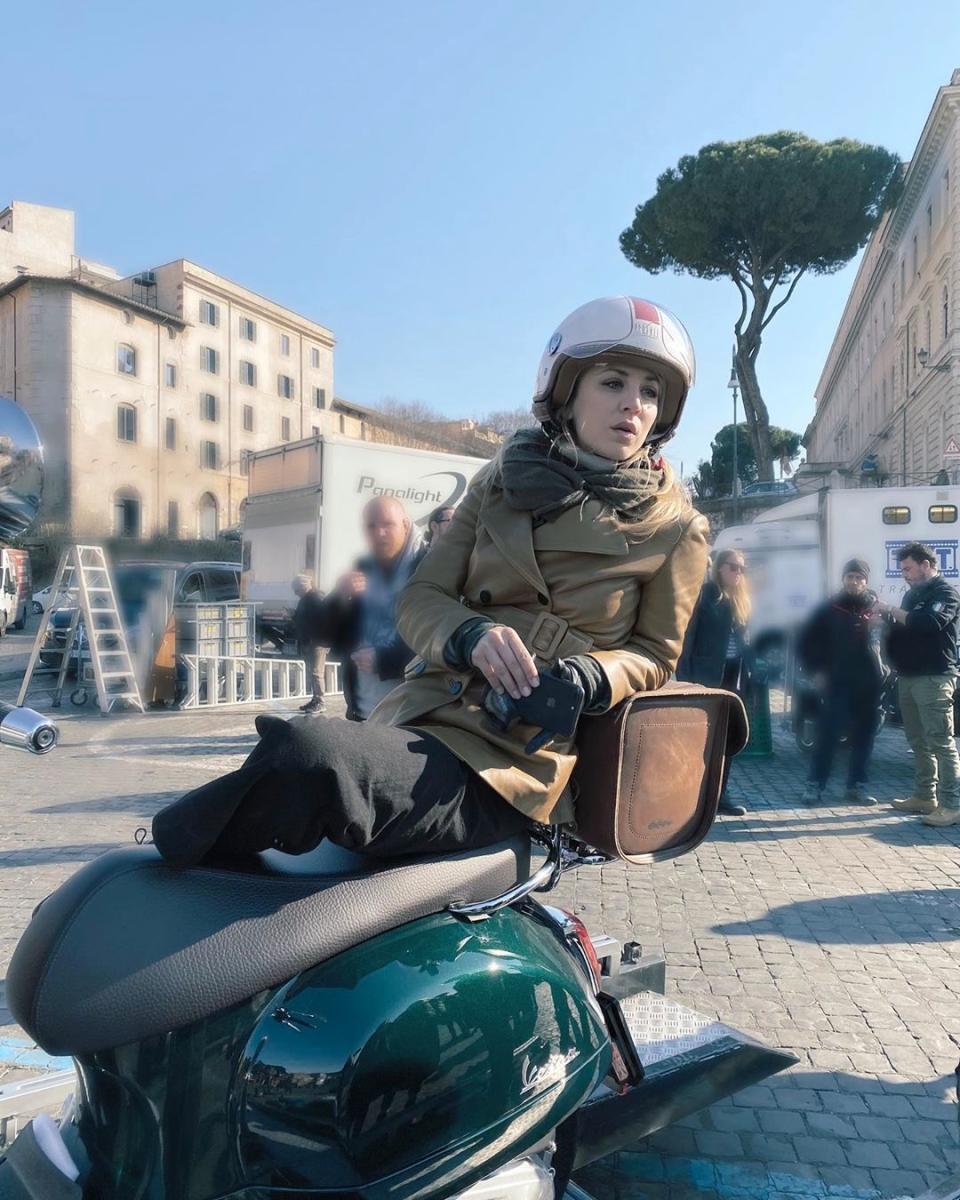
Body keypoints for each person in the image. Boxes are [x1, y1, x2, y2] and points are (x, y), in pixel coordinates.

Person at [151, 296, 710, 868]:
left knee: (306, 755)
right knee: (299, 756)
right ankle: (171, 877)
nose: (633, 406)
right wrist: (470, 634)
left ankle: (160, 869)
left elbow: (655, 654)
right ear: (566, 394)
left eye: (650, 392)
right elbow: (421, 597)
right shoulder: (498, 482)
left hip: (511, 762)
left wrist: (592, 674)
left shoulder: (677, 528)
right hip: (421, 714)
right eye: (613, 383)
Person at [319, 496, 426, 722]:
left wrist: (385, 660)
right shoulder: (364, 566)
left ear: (405, 525)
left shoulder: (428, 566)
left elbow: (436, 637)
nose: (379, 533)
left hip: (412, 715)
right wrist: (339, 595)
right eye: (371, 526)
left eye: (388, 525)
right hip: (363, 710)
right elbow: (326, 635)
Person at [875, 542, 960, 826]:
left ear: (926, 565)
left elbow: (928, 623)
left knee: (941, 741)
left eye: (909, 568)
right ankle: (925, 795)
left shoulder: (945, 593)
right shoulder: (912, 595)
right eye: (902, 570)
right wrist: (885, 619)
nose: (905, 575)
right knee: (916, 740)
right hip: (909, 676)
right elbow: (905, 629)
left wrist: (891, 609)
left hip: (935, 677)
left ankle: (953, 804)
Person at [796, 559, 883, 806]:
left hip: (869, 683)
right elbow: (805, 643)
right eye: (850, 577)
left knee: (864, 736)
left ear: (866, 581)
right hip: (837, 681)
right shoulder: (829, 609)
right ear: (843, 579)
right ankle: (815, 785)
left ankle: (857, 786)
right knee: (829, 734)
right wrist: (816, 671)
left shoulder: (877, 610)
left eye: (859, 578)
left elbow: (892, 642)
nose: (854, 582)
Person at [676, 549, 752, 816]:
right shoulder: (705, 595)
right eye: (733, 567)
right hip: (705, 676)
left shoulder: (739, 600)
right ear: (719, 568)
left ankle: (720, 794)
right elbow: (688, 638)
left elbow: (742, 643)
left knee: (727, 736)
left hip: (733, 676)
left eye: (742, 568)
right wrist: (686, 680)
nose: (738, 573)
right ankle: (689, 796)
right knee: (700, 739)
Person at [291, 574, 328, 714]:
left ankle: (320, 701)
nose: (296, 593)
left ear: (304, 586)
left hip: (316, 641)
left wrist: (314, 638)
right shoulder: (305, 599)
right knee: (313, 672)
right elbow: (303, 619)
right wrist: (293, 616)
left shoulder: (316, 598)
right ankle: (315, 699)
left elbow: (322, 621)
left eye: (297, 589)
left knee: (316, 672)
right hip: (309, 640)